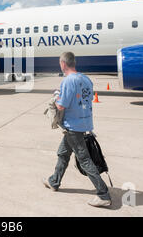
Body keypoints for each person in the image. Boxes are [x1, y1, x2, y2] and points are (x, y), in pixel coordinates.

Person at [42, 52, 112, 208]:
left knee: (85, 160)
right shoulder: (86, 79)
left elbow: (61, 105)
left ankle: (103, 194)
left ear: (62, 64)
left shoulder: (68, 81)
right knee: (63, 153)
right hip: (83, 123)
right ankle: (54, 181)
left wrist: (56, 95)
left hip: (73, 127)